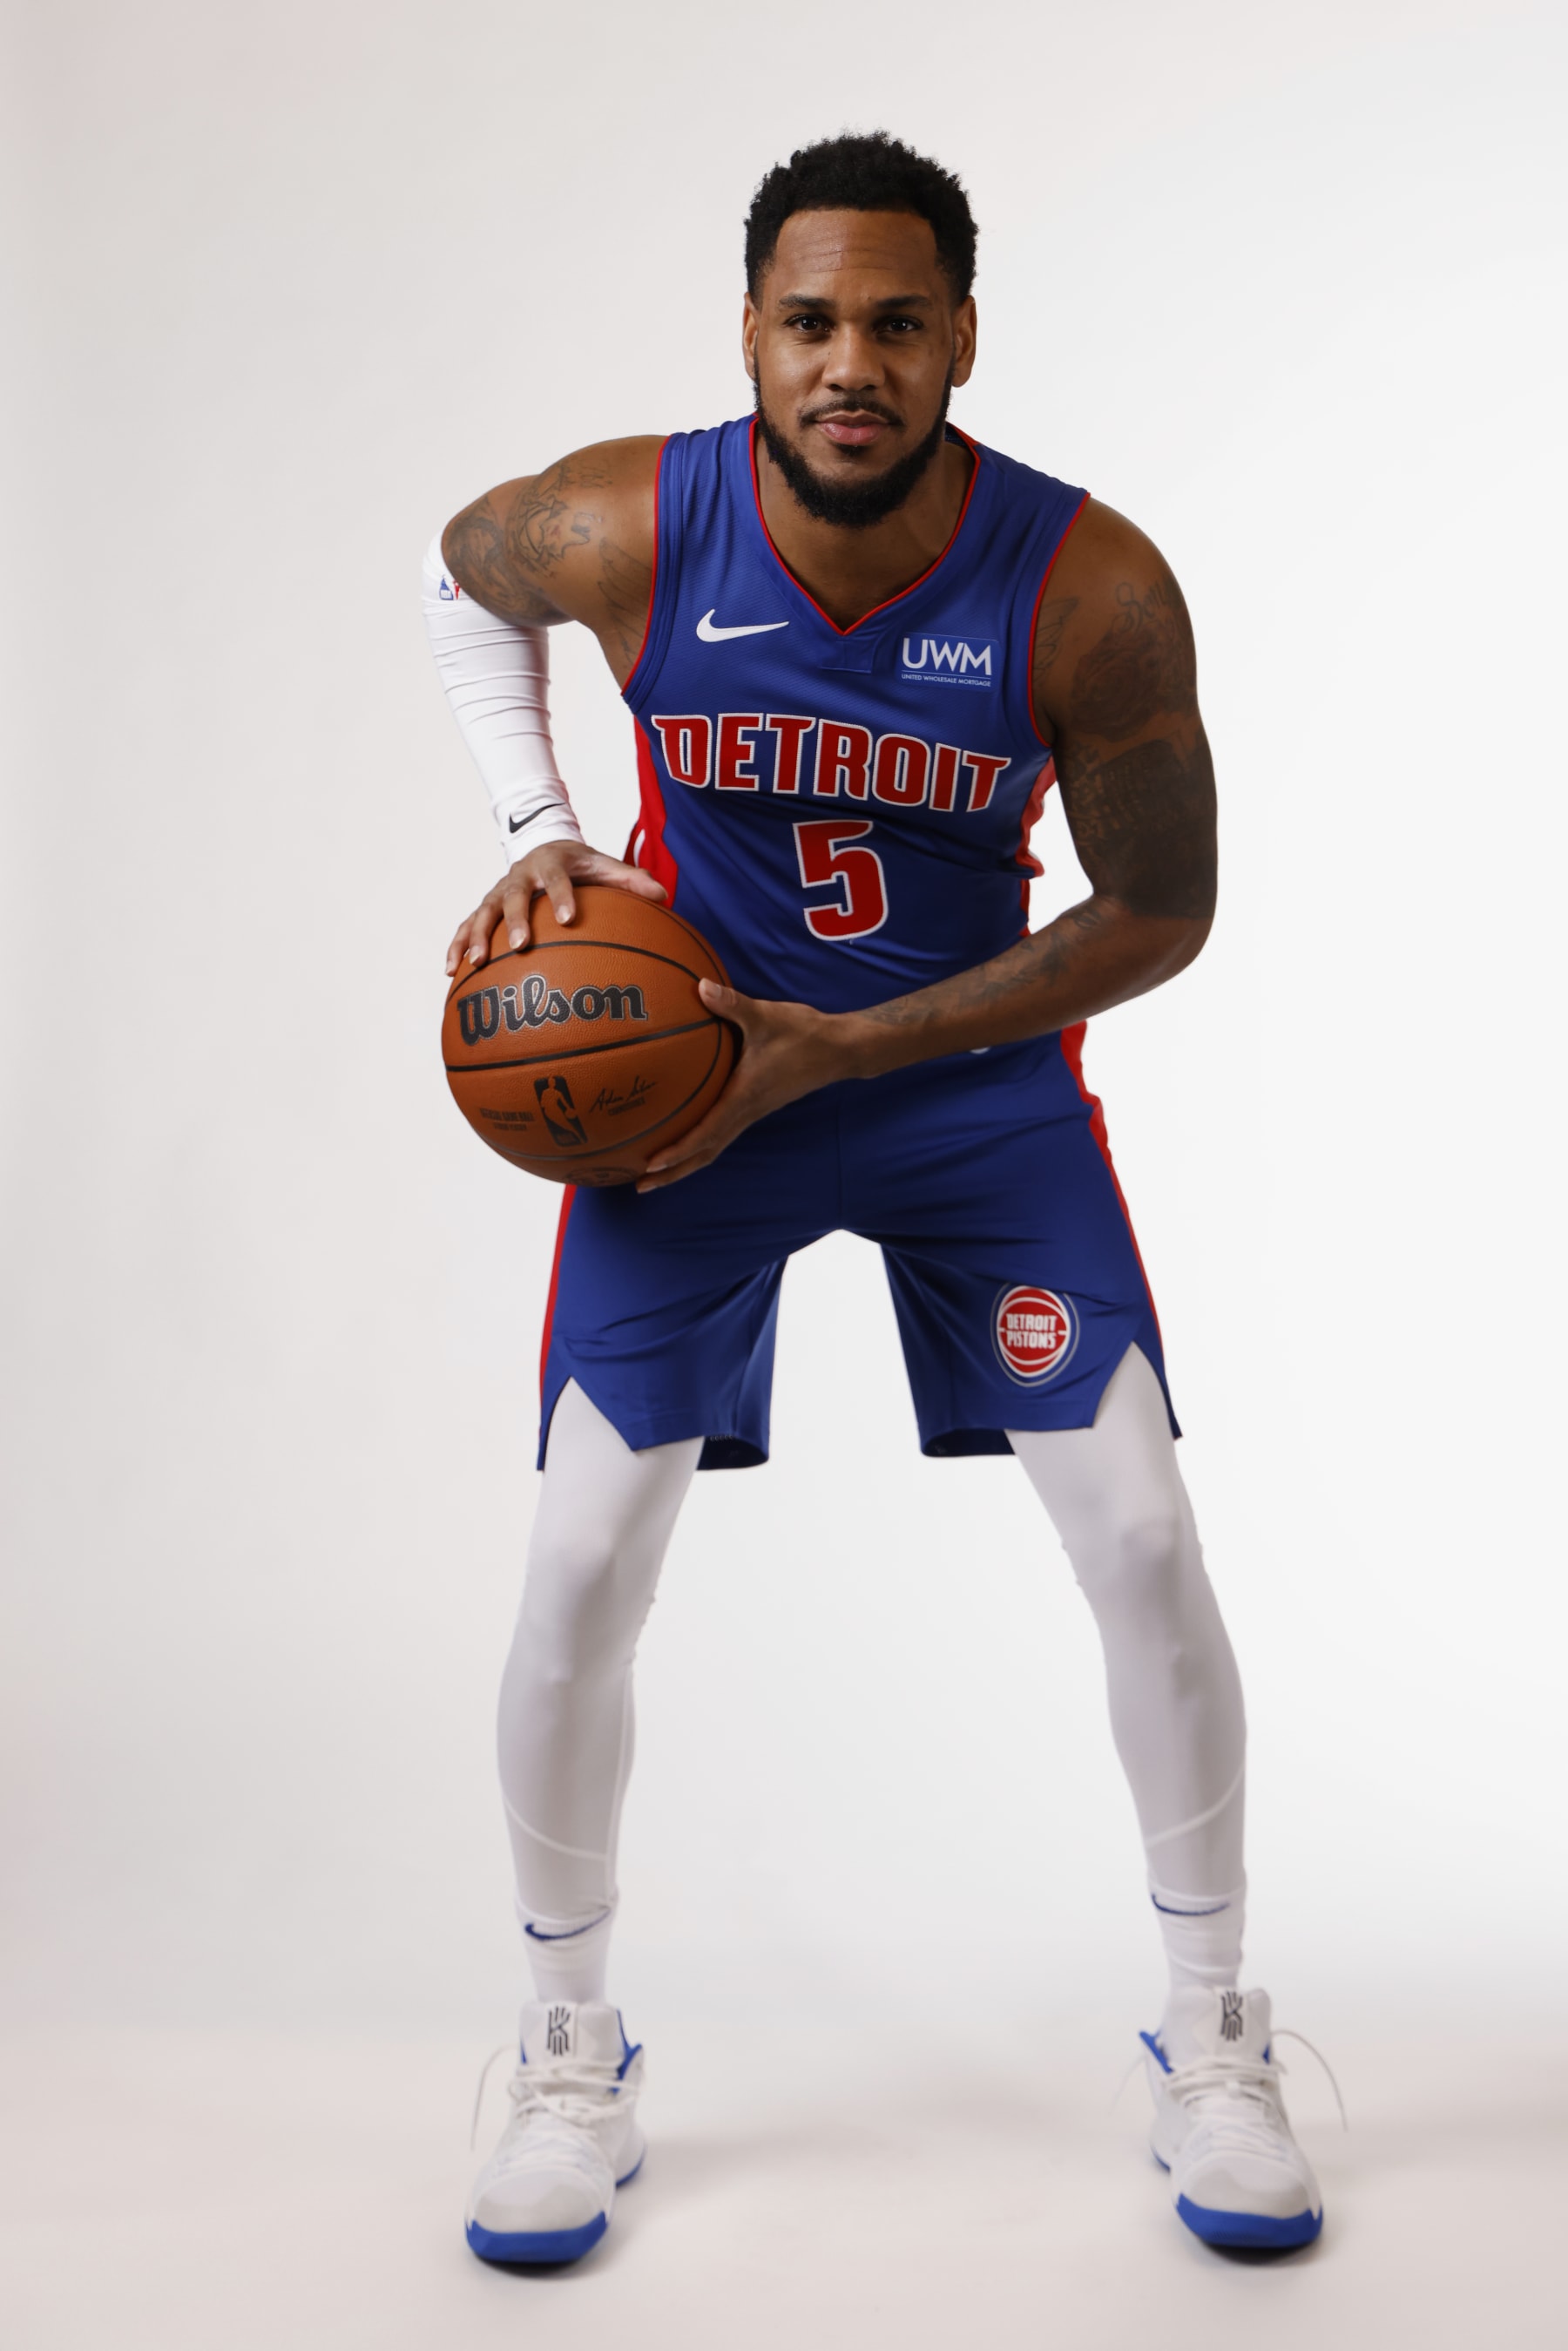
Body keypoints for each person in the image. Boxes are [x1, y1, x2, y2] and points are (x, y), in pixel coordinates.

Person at [424, 130, 1321, 2266]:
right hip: (691, 1098)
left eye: (897, 324)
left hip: (970, 1104)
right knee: (578, 1563)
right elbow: (461, 571)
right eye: (811, 321)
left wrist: (855, 1048)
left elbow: (1166, 909)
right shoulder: (633, 518)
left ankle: (1213, 2032)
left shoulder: (1087, 583)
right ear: (752, 331)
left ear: (961, 340)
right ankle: (569, 2050)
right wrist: (547, 823)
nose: (853, 364)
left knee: (1134, 1526)